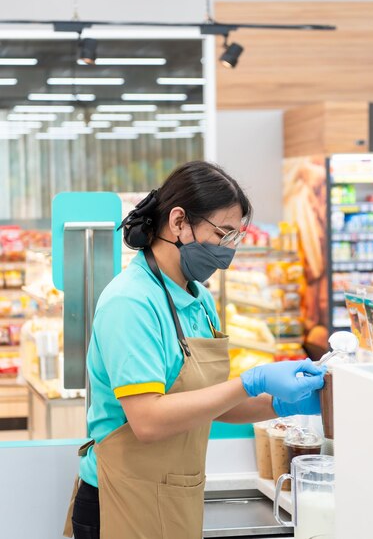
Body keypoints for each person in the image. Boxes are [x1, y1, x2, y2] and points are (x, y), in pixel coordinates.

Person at [63, 161, 325, 539]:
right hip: (120, 499)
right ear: (179, 222)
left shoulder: (198, 299)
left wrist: (283, 404)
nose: (227, 251)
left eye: (235, 238)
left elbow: (207, 400)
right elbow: (148, 420)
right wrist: (249, 382)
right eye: (223, 234)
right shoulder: (131, 302)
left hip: (174, 496)